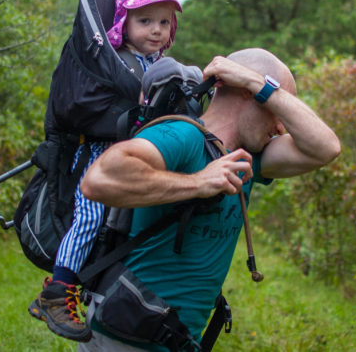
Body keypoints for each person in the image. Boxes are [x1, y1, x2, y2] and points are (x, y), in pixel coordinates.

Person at [78, 48, 341, 351]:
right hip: (127, 336)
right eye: (275, 110)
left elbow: (327, 148)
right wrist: (198, 182)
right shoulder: (182, 135)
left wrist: (260, 85)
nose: (281, 127)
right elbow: (98, 180)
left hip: (178, 338)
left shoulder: (249, 159)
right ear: (244, 93)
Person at [29, 0, 183, 342]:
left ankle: (94, 283)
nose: (157, 30)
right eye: (145, 21)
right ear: (123, 23)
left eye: (164, 22)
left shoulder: (154, 63)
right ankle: (55, 292)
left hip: (131, 154)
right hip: (100, 153)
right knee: (90, 216)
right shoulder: (118, 63)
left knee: (117, 225)